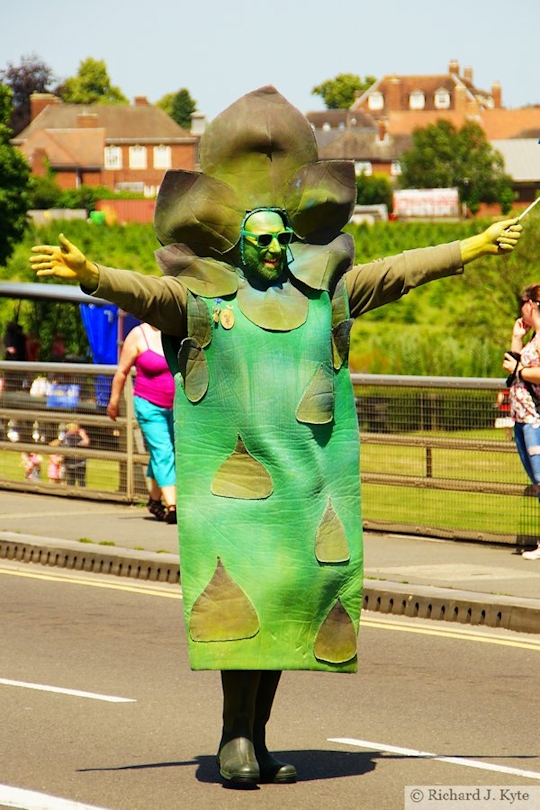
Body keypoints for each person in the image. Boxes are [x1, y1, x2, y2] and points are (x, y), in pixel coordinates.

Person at [29, 86, 523, 787]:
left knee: (290, 610)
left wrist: (469, 246)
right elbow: (144, 293)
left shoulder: (328, 295)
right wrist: (92, 275)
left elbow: (400, 271)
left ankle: (257, 740)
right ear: (239, 241)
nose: (269, 247)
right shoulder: (202, 300)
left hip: (303, 487)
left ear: (291, 242)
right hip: (232, 500)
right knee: (244, 608)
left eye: (278, 238)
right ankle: (233, 737)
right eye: (257, 238)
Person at [107, 322, 176, 524]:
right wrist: (113, 402)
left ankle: (155, 501)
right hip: (148, 405)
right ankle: (173, 505)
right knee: (163, 451)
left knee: (166, 452)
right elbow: (122, 371)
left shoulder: (172, 331)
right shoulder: (138, 335)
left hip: (174, 406)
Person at [503, 285, 540, 560]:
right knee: (537, 480)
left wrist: (519, 369)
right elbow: (513, 372)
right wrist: (517, 339)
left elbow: (521, 371)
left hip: (534, 419)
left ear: (530, 305)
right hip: (522, 417)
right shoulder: (533, 338)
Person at [61, 422, 90, 487]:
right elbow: (86, 442)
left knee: (79, 480)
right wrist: (83, 435)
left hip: (78, 463)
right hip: (73, 463)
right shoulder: (69, 437)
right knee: (74, 480)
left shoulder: (68, 437)